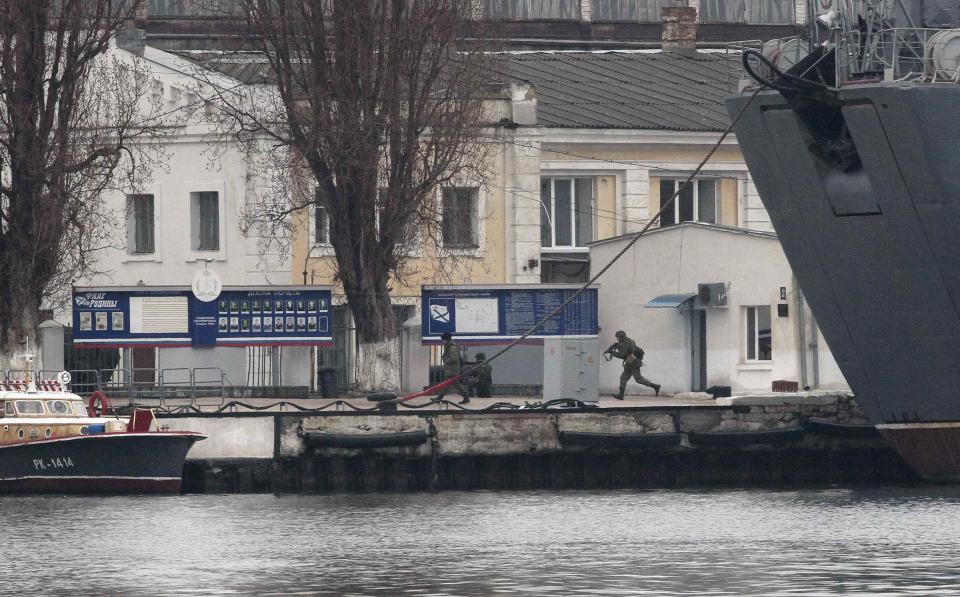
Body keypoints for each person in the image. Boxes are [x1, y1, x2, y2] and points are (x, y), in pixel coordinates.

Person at [605, 330, 660, 400]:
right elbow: (628, 349)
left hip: (634, 363)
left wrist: (612, 352)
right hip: (629, 363)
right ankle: (621, 395)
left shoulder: (626, 343)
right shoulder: (628, 341)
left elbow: (621, 355)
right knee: (623, 378)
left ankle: (656, 386)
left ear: (621, 337)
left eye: (617, 337)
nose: (617, 339)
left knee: (638, 379)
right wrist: (617, 345)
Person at [434, 332, 470, 404]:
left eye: (443, 340)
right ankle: (466, 397)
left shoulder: (452, 348)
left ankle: (439, 398)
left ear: (446, 339)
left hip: (452, 370)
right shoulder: (448, 347)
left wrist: (445, 360)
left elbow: (454, 358)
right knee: (448, 384)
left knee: (452, 384)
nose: (443, 341)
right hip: (451, 370)